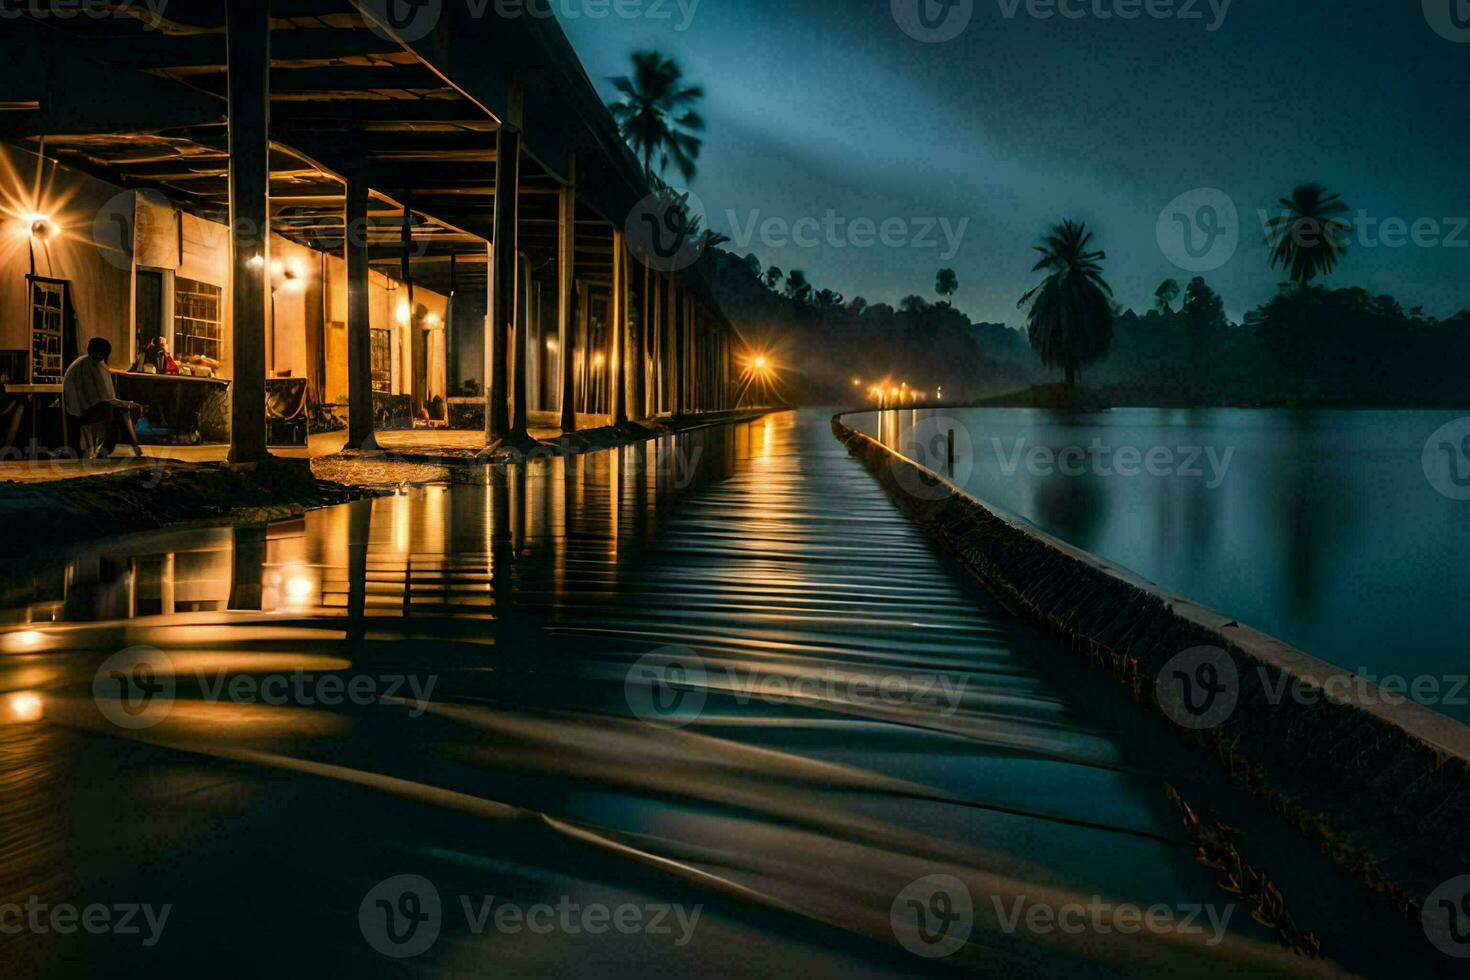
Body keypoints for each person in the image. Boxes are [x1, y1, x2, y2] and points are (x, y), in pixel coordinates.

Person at [62, 338, 143, 459]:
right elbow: (93, 397)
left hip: (87, 405)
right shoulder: (87, 366)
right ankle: (128, 446)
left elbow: (101, 396)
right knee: (118, 411)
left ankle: (123, 447)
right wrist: (121, 403)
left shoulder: (91, 363)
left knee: (120, 410)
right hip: (79, 410)